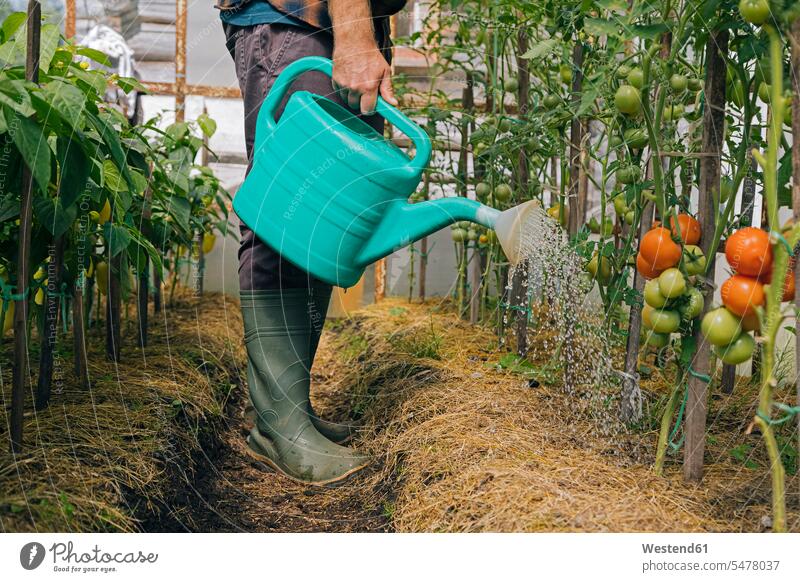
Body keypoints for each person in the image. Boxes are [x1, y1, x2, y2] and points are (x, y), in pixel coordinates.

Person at [216, 0, 406, 485]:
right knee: (284, 215)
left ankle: (289, 409)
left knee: (322, 221)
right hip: (298, 20)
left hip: (327, 24)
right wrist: (354, 33)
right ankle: (280, 429)